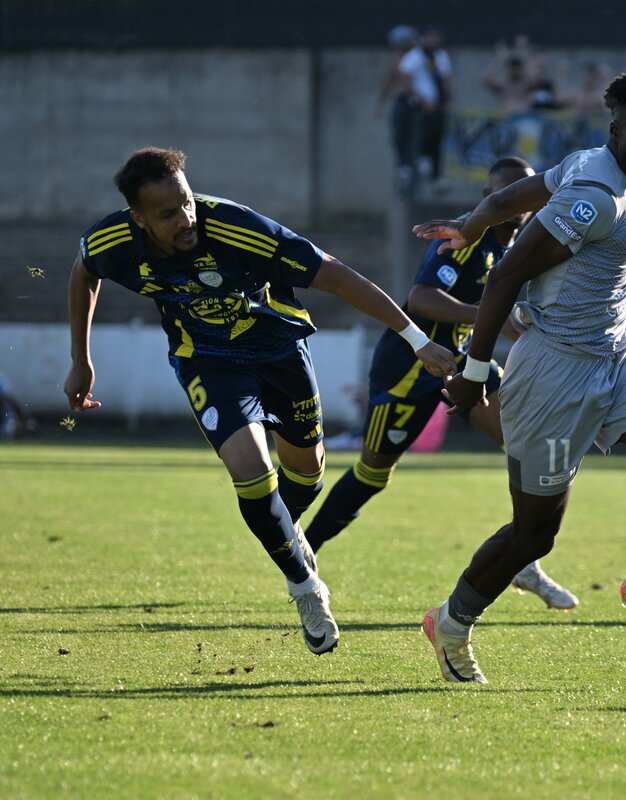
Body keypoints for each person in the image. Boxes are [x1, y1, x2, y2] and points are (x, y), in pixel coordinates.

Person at [412, 66, 626, 684]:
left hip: (614, 360)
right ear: (617, 132)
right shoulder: (595, 198)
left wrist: (472, 223)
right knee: (533, 536)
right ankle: (450, 623)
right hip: (552, 377)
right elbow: (506, 276)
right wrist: (476, 373)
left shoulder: (593, 163)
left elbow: (512, 198)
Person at [64, 147, 457, 654]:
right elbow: (83, 272)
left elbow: (337, 275)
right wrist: (81, 360)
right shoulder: (112, 241)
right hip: (207, 360)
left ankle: (287, 535)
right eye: (167, 214)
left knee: (307, 476)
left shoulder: (237, 228)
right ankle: (306, 588)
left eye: (187, 202)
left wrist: (418, 341)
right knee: (251, 472)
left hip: (279, 351)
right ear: (138, 219)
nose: (186, 218)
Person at [303, 157, 579, 611]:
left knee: (528, 444)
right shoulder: (469, 234)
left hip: (466, 363)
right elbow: (421, 298)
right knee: (372, 474)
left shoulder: (521, 244)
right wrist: (490, 317)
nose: (514, 201)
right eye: (504, 192)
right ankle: (303, 554)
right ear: (487, 197)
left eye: (523, 192)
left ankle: (523, 558)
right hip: (411, 368)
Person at [400, 26, 453, 189]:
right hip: (418, 105)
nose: (432, 41)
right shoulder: (414, 56)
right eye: (429, 37)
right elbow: (406, 82)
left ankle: (436, 173)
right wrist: (422, 100)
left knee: (438, 135)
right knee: (417, 134)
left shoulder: (441, 56)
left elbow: (444, 80)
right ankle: (414, 164)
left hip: (436, 105)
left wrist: (446, 101)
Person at [375, 25, 419, 191]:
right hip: (403, 100)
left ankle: (416, 165)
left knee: (414, 137)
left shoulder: (418, 58)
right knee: (400, 135)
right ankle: (405, 166)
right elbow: (391, 80)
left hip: (417, 102)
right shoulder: (397, 59)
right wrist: (380, 103)